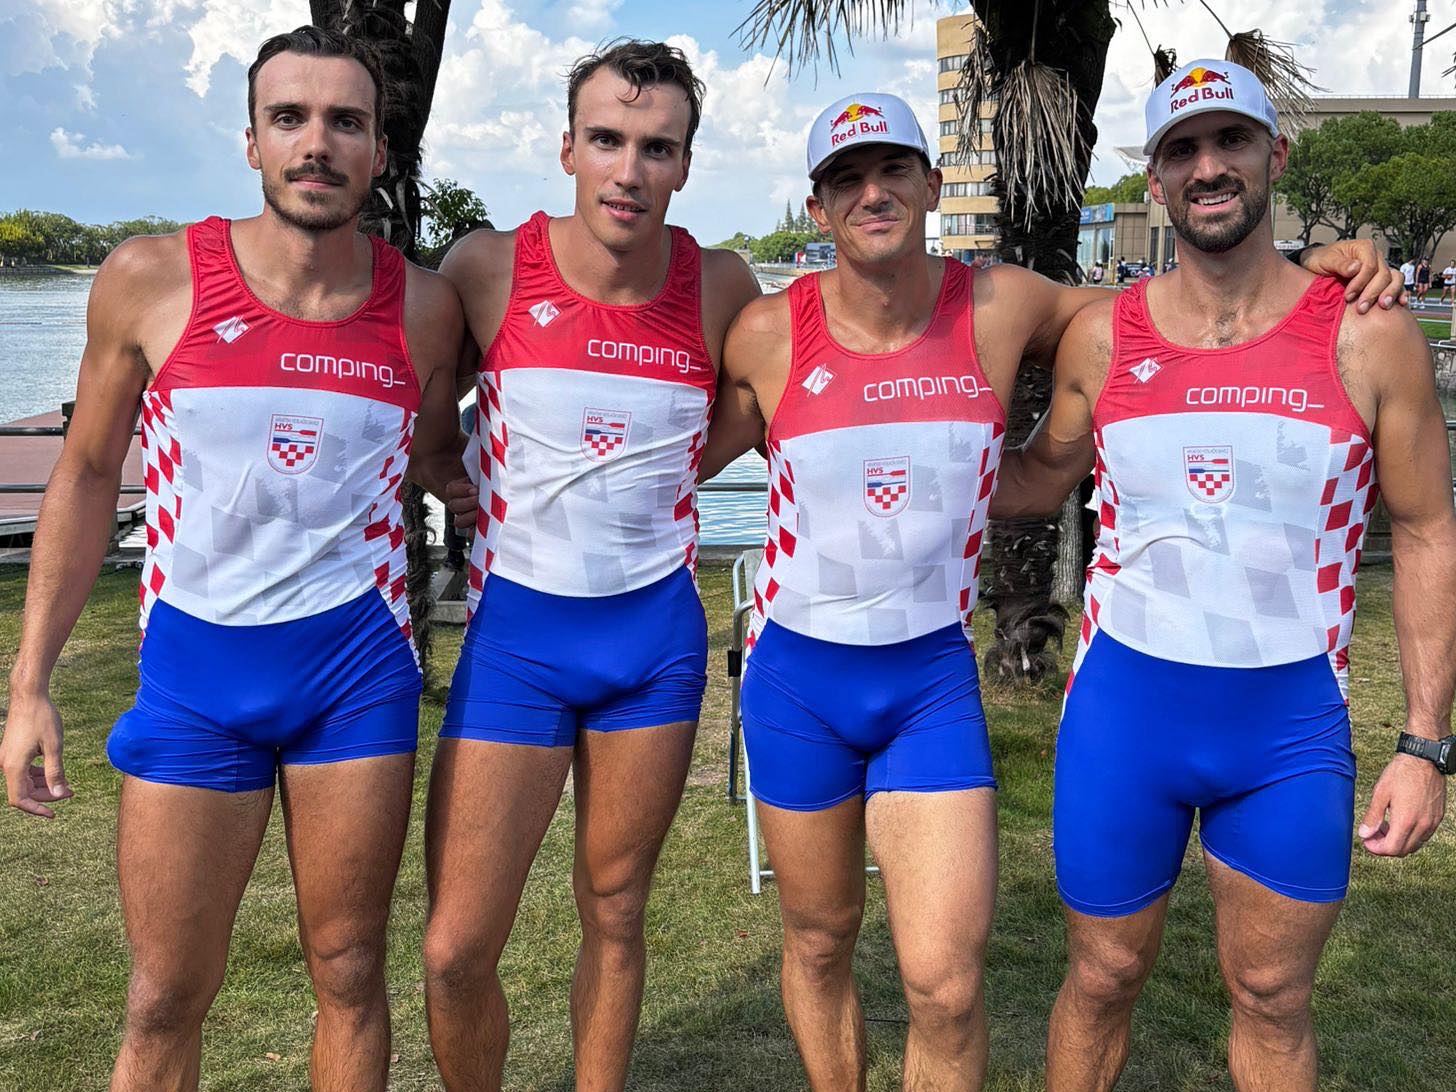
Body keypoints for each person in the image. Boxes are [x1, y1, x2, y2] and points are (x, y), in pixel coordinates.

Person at [697, 86, 1400, 1092]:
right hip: (795, 679)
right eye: (845, 178)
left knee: (946, 987)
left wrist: (1313, 272)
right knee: (817, 942)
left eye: (893, 168)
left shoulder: (1001, 305)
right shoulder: (768, 332)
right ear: (817, 207)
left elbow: (1156, 314)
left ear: (931, 185)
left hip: (927, 685)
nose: (872, 192)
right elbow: (668, 453)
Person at [0, 26, 466, 1092]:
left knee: (351, 972)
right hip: (194, 676)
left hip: (354, 677)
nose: (317, 143)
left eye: (345, 122)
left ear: (379, 150)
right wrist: (29, 686)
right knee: (164, 996)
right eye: (289, 118)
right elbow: (84, 474)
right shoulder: (150, 278)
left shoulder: (426, 308)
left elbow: (445, 456)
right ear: (252, 141)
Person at [992, 59, 1456, 1092]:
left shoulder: (1369, 333)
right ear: (1155, 176)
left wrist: (1425, 743)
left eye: (1230, 141)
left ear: (1273, 154)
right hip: (1125, 716)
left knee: (1272, 996)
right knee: (1101, 976)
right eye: (1181, 149)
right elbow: (1033, 478)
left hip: (1287, 729)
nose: (1207, 167)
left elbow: (1428, 531)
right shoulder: (1104, 335)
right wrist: (886, 460)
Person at [422, 40, 760, 1092]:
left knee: (615, 912)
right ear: (567, 147)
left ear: (685, 164)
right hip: (517, 643)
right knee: (455, 949)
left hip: (650, 645)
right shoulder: (488, 268)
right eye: (607, 140)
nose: (629, 170)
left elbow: (759, 405)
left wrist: (668, 472)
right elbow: (419, 406)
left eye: (657, 148)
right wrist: (451, 476)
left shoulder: (720, 285)